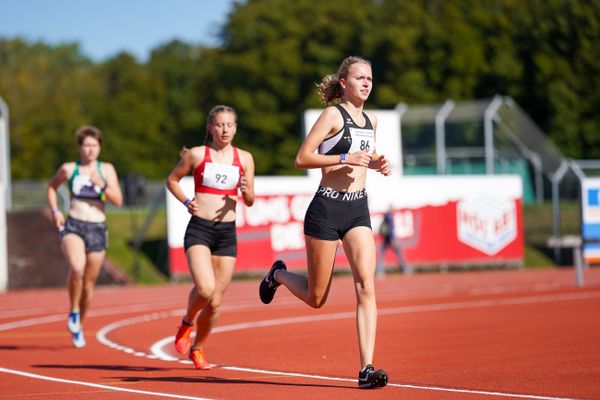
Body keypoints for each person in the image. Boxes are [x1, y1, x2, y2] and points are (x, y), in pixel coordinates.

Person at [259, 56, 390, 389]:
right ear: (344, 83)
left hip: (357, 209)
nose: (366, 84)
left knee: (366, 285)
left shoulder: (371, 121)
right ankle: (278, 274)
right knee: (318, 297)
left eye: (370, 79)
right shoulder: (333, 115)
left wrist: (377, 163)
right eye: (360, 78)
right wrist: (344, 157)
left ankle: (366, 368)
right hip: (326, 210)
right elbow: (303, 158)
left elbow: (364, 157)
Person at [166, 105, 255, 369]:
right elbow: (172, 180)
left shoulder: (245, 158)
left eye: (229, 125)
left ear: (236, 128)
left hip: (226, 233)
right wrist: (186, 201)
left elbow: (249, 200)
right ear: (210, 127)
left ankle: (199, 347)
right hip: (200, 229)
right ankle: (186, 323)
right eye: (219, 125)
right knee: (204, 289)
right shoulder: (197, 155)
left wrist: (246, 189)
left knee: (215, 302)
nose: (224, 130)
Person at [47, 125, 123, 348]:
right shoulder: (69, 169)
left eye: (95, 145)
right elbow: (51, 188)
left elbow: (118, 201)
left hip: (98, 228)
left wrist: (104, 186)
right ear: (80, 147)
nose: (90, 150)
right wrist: (55, 211)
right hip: (74, 225)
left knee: (89, 285)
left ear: (99, 147)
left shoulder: (106, 170)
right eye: (87, 145)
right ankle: (73, 310)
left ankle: (79, 324)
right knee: (77, 268)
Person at [376, 207, 411, 276]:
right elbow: (390, 228)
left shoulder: (386, 215)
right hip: (390, 238)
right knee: (398, 253)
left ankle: (379, 270)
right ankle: (405, 268)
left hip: (386, 238)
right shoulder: (389, 216)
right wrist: (392, 239)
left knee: (382, 254)